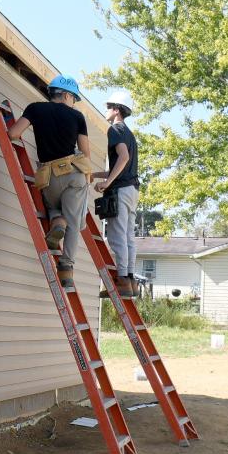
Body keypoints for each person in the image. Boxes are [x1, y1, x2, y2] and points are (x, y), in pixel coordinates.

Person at [7, 75, 94, 288]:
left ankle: (57, 222)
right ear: (66, 95)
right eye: (74, 98)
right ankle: (66, 269)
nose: (74, 102)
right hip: (74, 174)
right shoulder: (77, 116)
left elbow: (13, 133)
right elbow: (85, 152)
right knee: (75, 222)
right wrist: (88, 177)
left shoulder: (35, 109)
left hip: (48, 176)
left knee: (52, 205)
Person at [93, 89, 140, 299]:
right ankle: (129, 281)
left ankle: (121, 280)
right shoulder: (129, 134)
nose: (106, 111)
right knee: (128, 236)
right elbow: (123, 164)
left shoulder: (115, 130)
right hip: (132, 190)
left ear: (116, 109)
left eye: (108, 107)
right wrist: (95, 175)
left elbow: (122, 158)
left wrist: (107, 183)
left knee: (116, 236)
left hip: (120, 189)